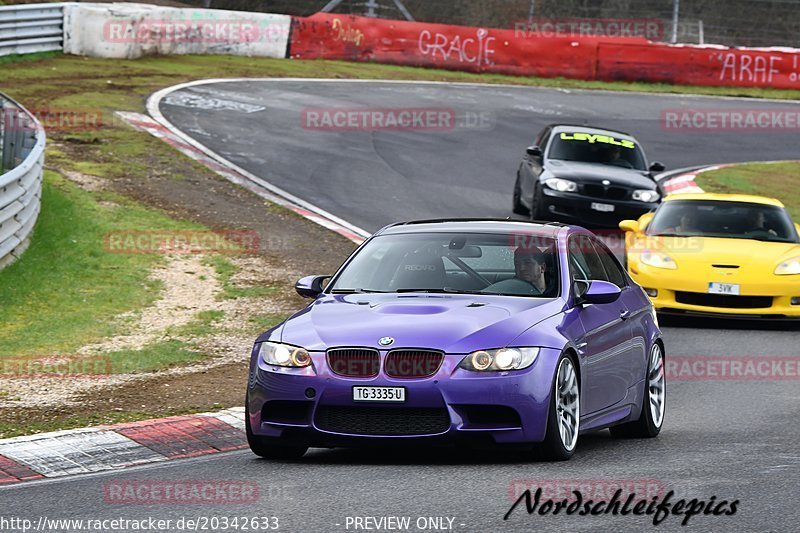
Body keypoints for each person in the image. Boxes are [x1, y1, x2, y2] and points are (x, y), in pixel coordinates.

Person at [482, 247, 549, 296]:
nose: (521, 268)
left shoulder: (556, 291)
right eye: (517, 264)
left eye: (528, 263)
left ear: (542, 267)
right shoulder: (508, 291)